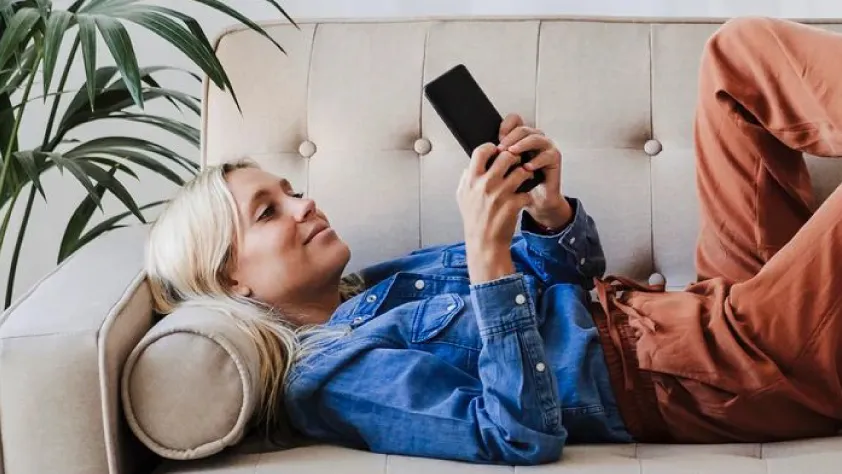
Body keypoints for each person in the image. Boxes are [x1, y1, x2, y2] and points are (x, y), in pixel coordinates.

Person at [145, 16, 842, 466]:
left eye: (289, 189)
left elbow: (569, 283)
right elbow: (516, 435)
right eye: (269, 212)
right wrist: (487, 261)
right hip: (713, 372)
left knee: (736, 57)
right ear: (231, 279)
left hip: (707, 312)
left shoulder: (383, 284)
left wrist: (546, 209)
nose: (303, 204)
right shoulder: (329, 376)